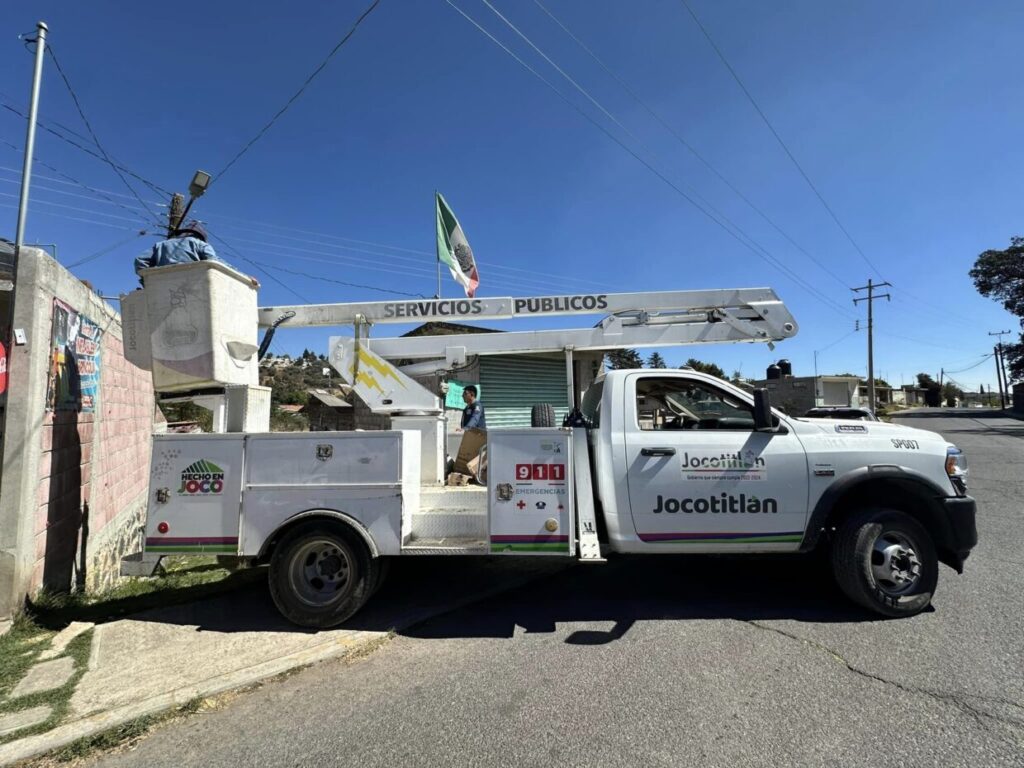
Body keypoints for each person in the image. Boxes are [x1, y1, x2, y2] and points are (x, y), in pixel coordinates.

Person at [133, 221, 220, 277]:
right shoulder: (201, 244)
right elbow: (213, 264)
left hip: (162, 287)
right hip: (196, 286)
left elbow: (140, 260)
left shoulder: (160, 245)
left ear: (181, 233)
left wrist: (147, 279)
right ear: (200, 236)